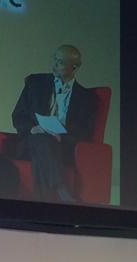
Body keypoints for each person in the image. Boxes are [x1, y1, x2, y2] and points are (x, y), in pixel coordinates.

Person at [10, 45, 96, 202]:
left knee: (43, 153)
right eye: (55, 59)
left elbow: (85, 130)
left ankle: (43, 202)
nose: (55, 65)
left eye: (61, 62)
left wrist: (62, 137)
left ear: (75, 67)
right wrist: (32, 128)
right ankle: (62, 190)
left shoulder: (86, 97)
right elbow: (18, 115)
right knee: (42, 140)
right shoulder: (35, 83)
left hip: (62, 147)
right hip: (32, 141)